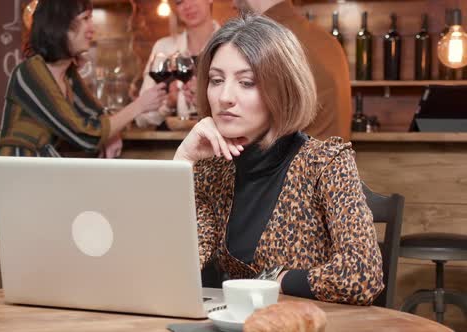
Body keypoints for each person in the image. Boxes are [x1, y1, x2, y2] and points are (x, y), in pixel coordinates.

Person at [174, 16, 383, 305]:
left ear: (282, 90)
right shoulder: (213, 168)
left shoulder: (324, 163)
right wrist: (182, 161)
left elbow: (363, 275)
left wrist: (274, 279)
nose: (224, 97)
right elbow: (172, 265)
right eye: (216, 80)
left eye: (246, 82)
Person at [0, 0, 166, 158]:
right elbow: (84, 136)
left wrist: (113, 134)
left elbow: (97, 114)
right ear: (60, 25)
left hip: (41, 173)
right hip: (17, 175)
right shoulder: (30, 72)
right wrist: (139, 106)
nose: (92, 29)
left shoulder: (66, 72)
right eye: (85, 18)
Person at [232, 0, 352, 141]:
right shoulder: (326, 40)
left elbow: (249, 134)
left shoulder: (266, 41)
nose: (233, 4)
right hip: (328, 159)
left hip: (297, 161)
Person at [135, 0, 219, 129]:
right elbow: (141, 118)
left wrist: (204, 101)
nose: (188, 6)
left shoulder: (229, 45)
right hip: (171, 146)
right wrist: (169, 104)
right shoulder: (163, 48)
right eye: (179, 2)